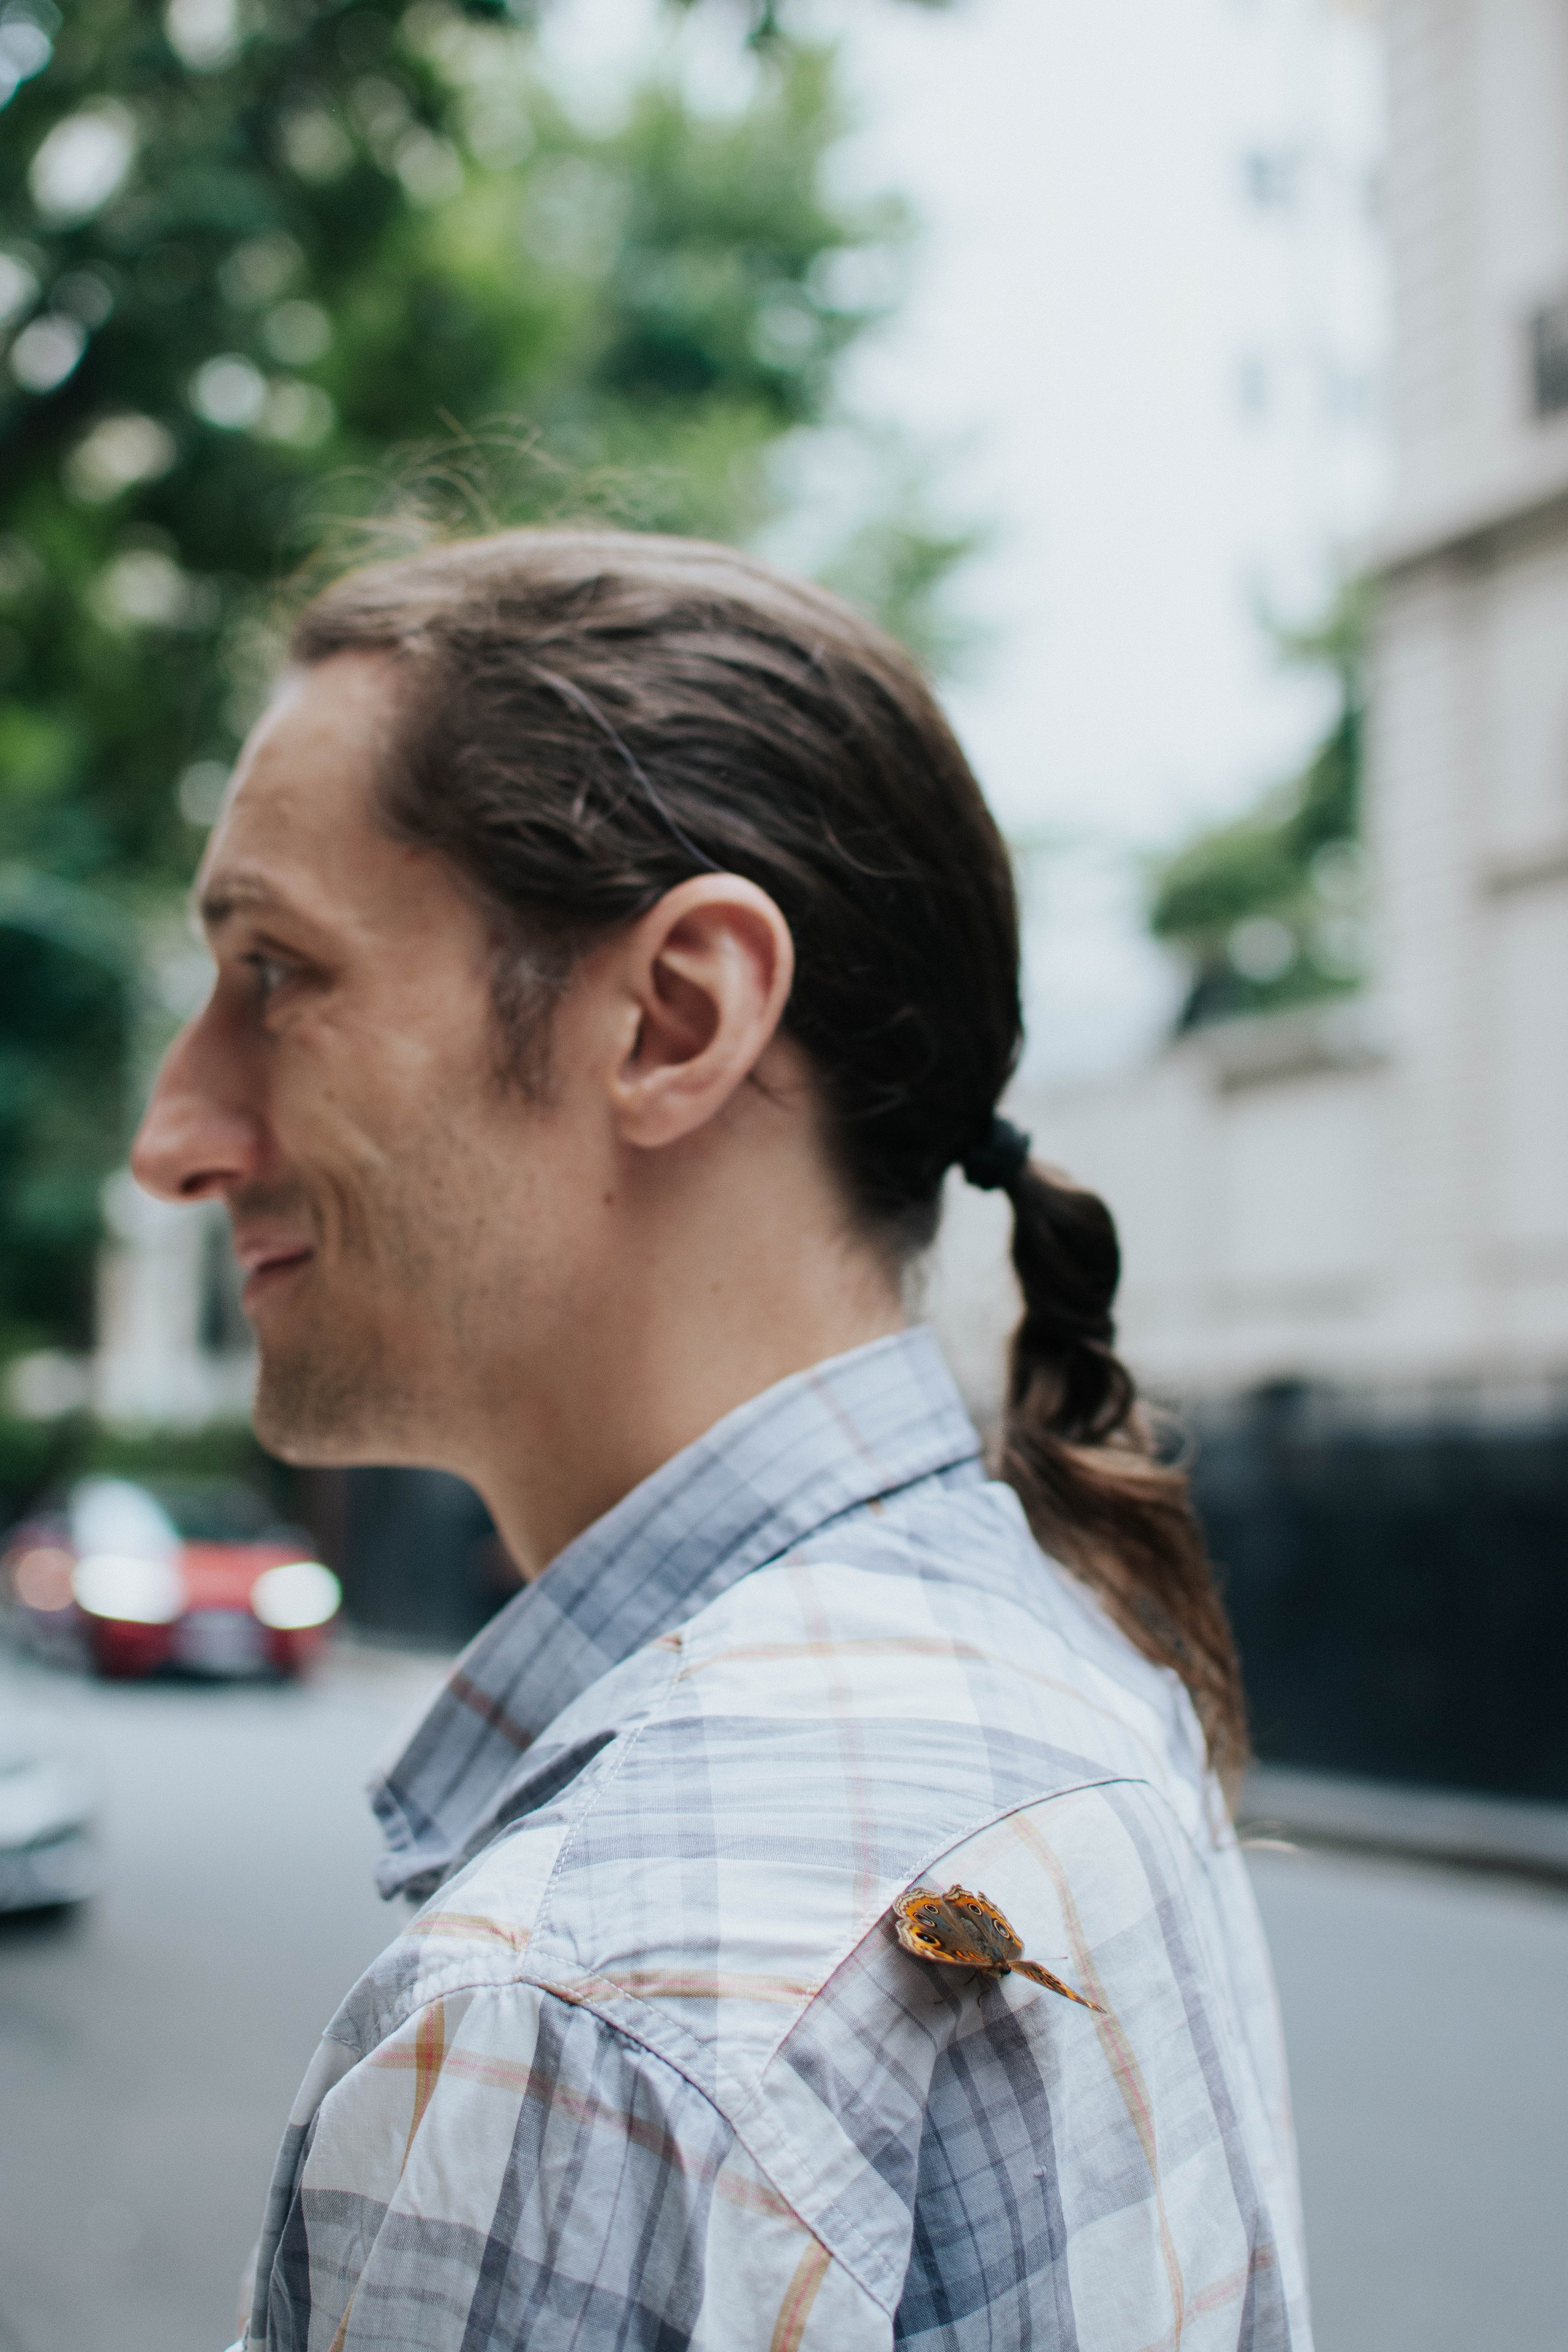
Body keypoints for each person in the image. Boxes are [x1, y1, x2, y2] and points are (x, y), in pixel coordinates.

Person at [132, 529, 1311, 2351]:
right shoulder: (1064, 1668)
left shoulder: (587, 2004)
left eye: (275, 972)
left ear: (676, 1017)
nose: (177, 1133)